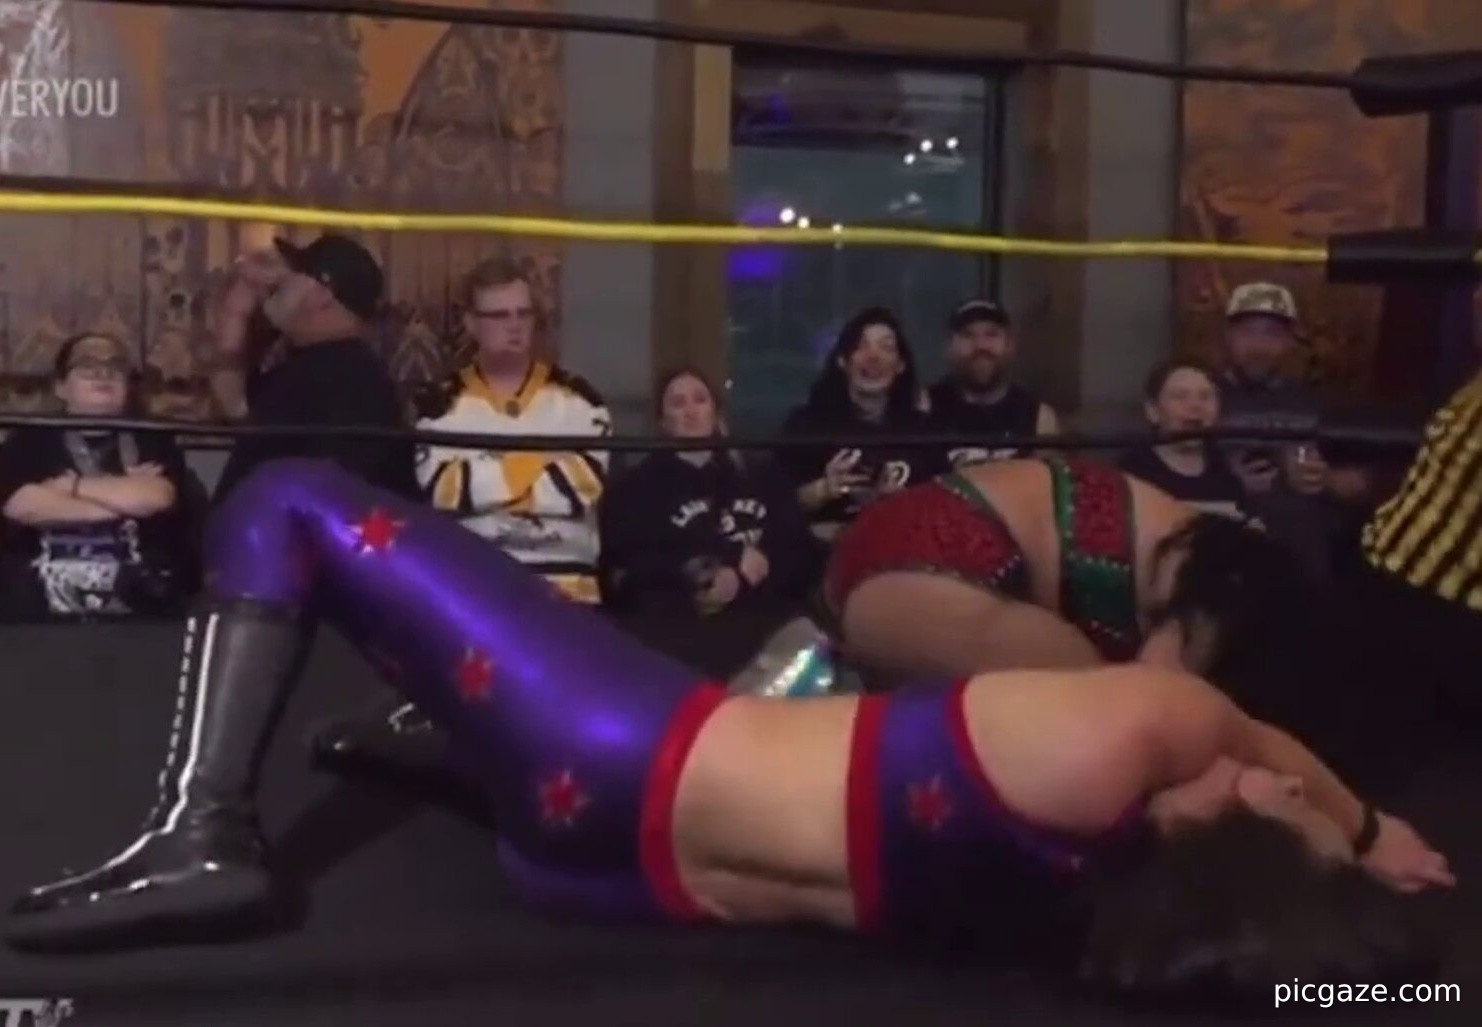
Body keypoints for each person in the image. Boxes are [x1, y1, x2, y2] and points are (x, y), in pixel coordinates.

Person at [4, 460, 1452, 1006]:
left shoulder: (1140, 727)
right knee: (603, 703)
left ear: (1234, 819)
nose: (1275, 772)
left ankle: (201, 832)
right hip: (605, 869)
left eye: (1282, 800)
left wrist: (1367, 825)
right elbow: (1305, 916)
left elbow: (1253, 732)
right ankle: (431, 743)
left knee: (291, 503)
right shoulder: (1093, 915)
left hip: (622, 745)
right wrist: (1358, 915)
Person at [824, 455, 1307, 692]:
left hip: (902, 545)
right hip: (935, 563)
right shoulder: (1229, 588)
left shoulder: (1189, 537)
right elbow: (1154, 697)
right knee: (1124, 719)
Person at [415, 256, 612, 605]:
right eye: (499, 315)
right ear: (471, 323)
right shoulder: (440, 405)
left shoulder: (581, 402)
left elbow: (580, 486)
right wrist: (538, 464)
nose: (515, 325)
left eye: (524, 313)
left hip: (567, 588)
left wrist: (487, 479)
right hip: (472, 587)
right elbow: (446, 491)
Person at [600, 367, 817, 653]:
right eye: (678, 404)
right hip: (678, 629)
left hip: (762, 622)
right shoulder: (637, 488)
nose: (691, 412)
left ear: (716, 412)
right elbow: (633, 564)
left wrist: (746, 577)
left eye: (700, 400)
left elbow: (797, 549)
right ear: (663, 421)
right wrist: (717, 566)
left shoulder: (761, 475)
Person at [0, 332, 198, 620]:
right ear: (61, 387)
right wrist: (124, 498)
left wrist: (70, 487)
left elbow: (157, 497)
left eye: (115, 366)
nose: (102, 374)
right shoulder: (28, 441)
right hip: (39, 614)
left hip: (141, 612)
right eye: (87, 365)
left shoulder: (153, 439)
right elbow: (22, 506)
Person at [208, 233, 417, 503]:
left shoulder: (351, 381)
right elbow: (234, 406)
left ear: (322, 293)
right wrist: (235, 315)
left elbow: (339, 495)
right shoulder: (307, 364)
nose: (282, 281)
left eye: (296, 273)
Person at [780, 308, 947, 541]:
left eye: (886, 347)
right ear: (843, 361)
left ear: (900, 365)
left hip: (903, 549)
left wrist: (899, 503)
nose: (873, 356)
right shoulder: (806, 426)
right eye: (861, 346)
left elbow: (943, 509)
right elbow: (777, 505)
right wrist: (824, 489)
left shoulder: (924, 432)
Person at [927, 299, 1060, 466]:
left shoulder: (1039, 417)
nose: (980, 346)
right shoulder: (925, 408)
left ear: (1009, 345)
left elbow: (1049, 478)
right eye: (968, 335)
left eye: (991, 335)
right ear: (949, 348)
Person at [1118, 359, 1252, 523]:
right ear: (1153, 411)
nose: (1195, 405)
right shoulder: (1131, 475)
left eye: (1205, 397)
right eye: (1180, 397)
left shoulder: (1227, 472)